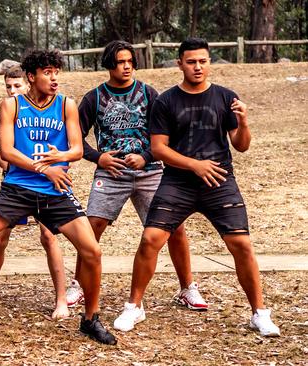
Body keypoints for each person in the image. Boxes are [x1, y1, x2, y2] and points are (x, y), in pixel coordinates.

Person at [113, 38, 280, 337]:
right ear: (180, 64)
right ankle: (134, 306)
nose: (197, 67)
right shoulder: (166, 101)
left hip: (219, 179)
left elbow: (241, 146)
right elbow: (159, 149)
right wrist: (194, 165)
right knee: (151, 238)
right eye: (191, 62)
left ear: (209, 62)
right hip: (179, 181)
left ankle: (259, 313)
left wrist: (243, 123)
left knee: (241, 244)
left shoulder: (225, 97)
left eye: (202, 61)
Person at [0, 50, 117, 345]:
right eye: (47, 72)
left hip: (55, 193)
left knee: (92, 252)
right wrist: (45, 168)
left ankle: (91, 319)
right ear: (31, 76)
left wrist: (60, 158)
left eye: (57, 72)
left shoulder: (67, 104)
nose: (54, 78)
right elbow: (7, 151)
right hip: (17, 188)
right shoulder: (12, 105)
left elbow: (77, 150)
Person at [66, 40, 208, 312]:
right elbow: (75, 140)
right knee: (90, 227)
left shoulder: (150, 94)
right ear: (109, 64)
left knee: (174, 228)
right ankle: (78, 285)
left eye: (130, 60)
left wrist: (147, 155)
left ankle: (187, 288)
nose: (127, 66)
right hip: (111, 174)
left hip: (150, 172)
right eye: (120, 62)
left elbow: (165, 136)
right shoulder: (94, 98)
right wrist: (99, 157)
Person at [0, 65, 69, 319]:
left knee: (49, 237)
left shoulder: (49, 109)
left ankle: (61, 300)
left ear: (28, 83)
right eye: (8, 86)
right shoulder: (5, 114)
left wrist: (40, 163)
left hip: (46, 186)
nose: (12, 91)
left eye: (16, 86)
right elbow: (3, 159)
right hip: (15, 186)